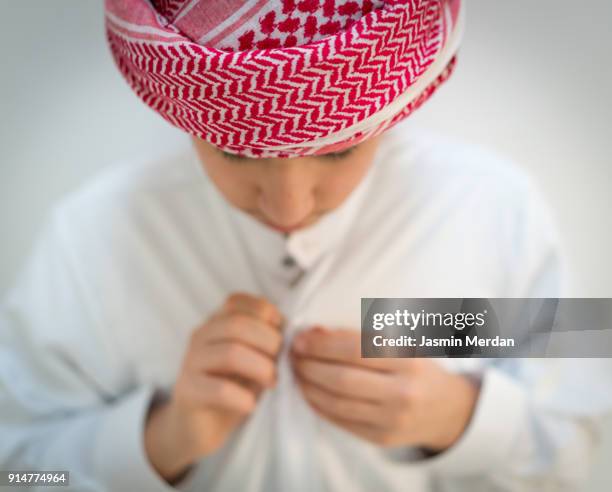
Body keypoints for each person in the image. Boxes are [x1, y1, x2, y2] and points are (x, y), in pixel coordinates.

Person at [1, 1, 611, 491]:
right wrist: (156, 441)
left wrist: (461, 418)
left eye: (338, 147)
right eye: (236, 150)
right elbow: (21, 473)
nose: (288, 207)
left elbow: (582, 451)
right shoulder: (88, 237)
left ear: (391, 109)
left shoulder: (497, 209)